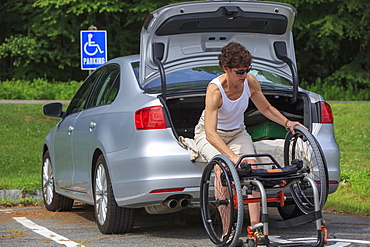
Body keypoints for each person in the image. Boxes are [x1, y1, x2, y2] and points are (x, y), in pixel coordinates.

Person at [194, 42, 305, 244]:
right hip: (209, 134)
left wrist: (288, 123)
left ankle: (256, 229)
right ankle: (227, 232)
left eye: (247, 70)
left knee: (252, 167)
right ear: (226, 69)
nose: (244, 75)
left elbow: (266, 108)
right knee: (222, 169)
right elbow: (210, 133)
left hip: (237, 132)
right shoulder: (215, 90)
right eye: (239, 71)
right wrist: (233, 158)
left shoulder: (250, 82)